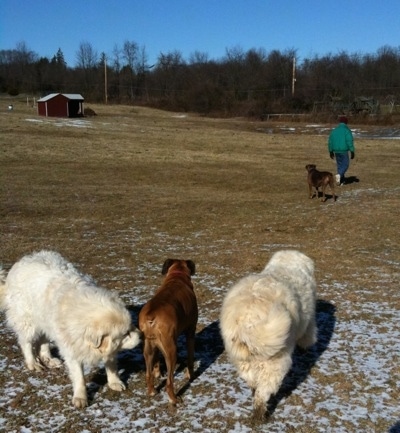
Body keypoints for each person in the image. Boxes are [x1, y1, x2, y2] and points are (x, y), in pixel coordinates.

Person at [328, 115, 355, 185]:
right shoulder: (347, 130)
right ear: (346, 122)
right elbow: (349, 141)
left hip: (336, 151)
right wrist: (352, 151)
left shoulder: (334, 131)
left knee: (340, 165)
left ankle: (341, 180)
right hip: (344, 151)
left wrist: (330, 151)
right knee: (345, 164)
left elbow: (330, 141)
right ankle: (339, 175)